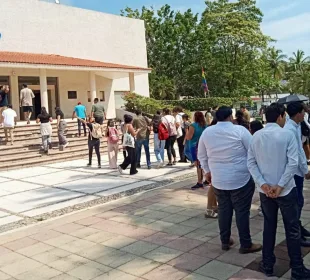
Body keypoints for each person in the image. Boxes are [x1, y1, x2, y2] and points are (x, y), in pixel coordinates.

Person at [248, 103, 310, 279]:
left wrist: (264, 184)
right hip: (285, 190)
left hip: (266, 191)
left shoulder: (256, 136)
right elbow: (292, 163)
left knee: (269, 226)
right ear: (281, 116)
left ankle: (268, 264)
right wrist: (280, 186)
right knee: (292, 229)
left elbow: (250, 163)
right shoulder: (287, 134)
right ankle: (297, 268)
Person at [198, 106, 262, 254]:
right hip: (240, 178)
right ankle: (246, 243)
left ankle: (225, 241)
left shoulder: (207, 132)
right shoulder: (240, 131)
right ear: (230, 116)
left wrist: (207, 171)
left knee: (224, 210)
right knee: (242, 211)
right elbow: (253, 150)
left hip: (218, 179)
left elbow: (201, 155)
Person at [285, 102, 310, 247]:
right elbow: (297, 152)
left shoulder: (295, 126)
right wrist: (305, 170)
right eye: (303, 112)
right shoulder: (290, 129)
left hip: (297, 170)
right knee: (297, 202)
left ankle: (298, 227)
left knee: (298, 201)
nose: (305, 114)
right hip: (295, 172)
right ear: (298, 114)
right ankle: (296, 235)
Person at [186, 112, 207, 190]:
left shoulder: (193, 126)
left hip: (194, 146)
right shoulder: (206, 125)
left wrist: (186, 131)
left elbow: (189, 137)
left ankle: (199, 181)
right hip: (204, 145)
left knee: (198, 164)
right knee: (204, 163)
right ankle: (206, 179)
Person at [249, 120, 264, 217]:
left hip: (258, 166)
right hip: (264, 165)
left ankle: (263, 207)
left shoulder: (253, 138)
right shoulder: (264, 136)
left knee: (261, 187)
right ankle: (263, 207)